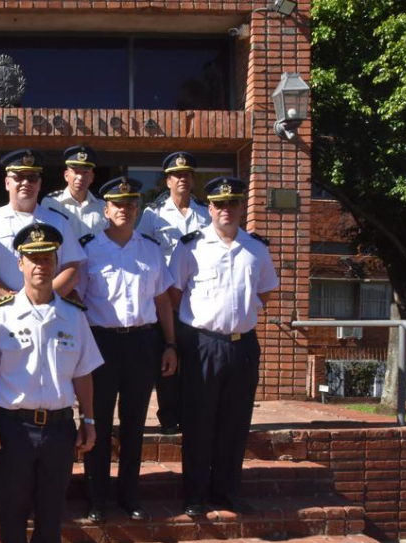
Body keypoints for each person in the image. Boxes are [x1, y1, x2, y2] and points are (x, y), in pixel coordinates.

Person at [0, 223, 102, 543]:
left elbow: (84, 373)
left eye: (48, 258)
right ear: (20, 263)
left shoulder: (73, 316)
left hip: (59, 427)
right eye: (33, 258)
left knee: (50, 507)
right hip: (13, 429)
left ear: (56, 261)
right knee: (12, 508)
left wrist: (89, 419)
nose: (41, 265)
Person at [0, 148, 86, 524]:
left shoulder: (58, 221)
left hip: (51, 321)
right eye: (18, 177)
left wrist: (46, 300)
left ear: (39, 183)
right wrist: (12, 301)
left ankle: (39, 499)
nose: (25, 183)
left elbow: (73, 267)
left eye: (32, 177)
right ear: (6, 182)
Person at [168, 177, 278, 518]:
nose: (226, 209)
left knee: (235, 423)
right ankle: (195, 495)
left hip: (243, 346)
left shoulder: (257, 248)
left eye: (233, 203)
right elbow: (174, 294)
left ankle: (226, 491)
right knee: (199, 422)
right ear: (210, 208)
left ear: (242, 207)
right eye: (219, 204)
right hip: (203, 345)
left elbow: (265, 291)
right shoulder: (191, 246)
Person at [76, 176, 178, 524]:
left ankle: (129, 495)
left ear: (138, 209)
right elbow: (75, 300)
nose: (125, 209)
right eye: (118, 204)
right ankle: (96, 499)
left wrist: (170, 344)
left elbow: (163, 300)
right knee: (97, 422)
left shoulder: (150, 249)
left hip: (141, 342)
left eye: (131, 204)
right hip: (100, 343)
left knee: (134, 424)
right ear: (105, 209)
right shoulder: (88, 248)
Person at [136, 151, 211, 435]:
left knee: (193, 358)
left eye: (187, 174)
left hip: (197, 298)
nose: (182, 179)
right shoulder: (152, 214)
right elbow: (143, 251)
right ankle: (168, 416)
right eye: (177, 175)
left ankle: (192, 413)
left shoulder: (205, 213)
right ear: (167, 180)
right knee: (165, 359)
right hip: (163, 300)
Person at [40, 145, 107, 239]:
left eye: (85, 173)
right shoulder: (52, 203)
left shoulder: (102, 205)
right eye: (76, 172)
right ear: (66, 175)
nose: (80, 177)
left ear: (92, 177)